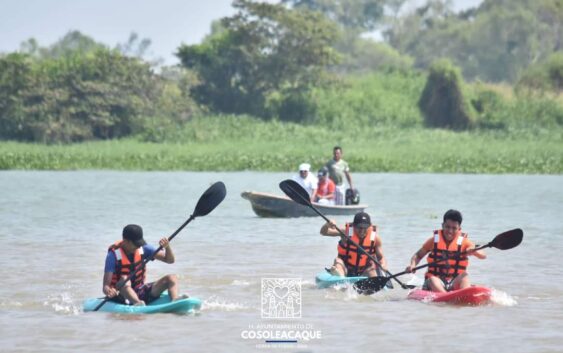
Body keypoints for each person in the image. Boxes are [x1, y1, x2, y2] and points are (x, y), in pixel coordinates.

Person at [404, 209, 487, 292]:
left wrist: (474, 251)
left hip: (454, 281)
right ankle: (446, 297)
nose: (450, 231)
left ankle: (465, 293)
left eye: (454, 228)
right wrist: (412, 265)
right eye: (447, 227)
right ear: (442, 225)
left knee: (464, 275)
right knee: (433, 279)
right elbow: (418, 255)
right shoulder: (433, 241)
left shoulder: (465, 242)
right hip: (435, 280)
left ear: (459, 229)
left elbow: (483, 255)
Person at [103, 224, 186, 306]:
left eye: (139, 243)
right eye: (135, 244)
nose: (138, 246)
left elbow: (170, 260)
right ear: (126, 241)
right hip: (121, 295)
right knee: (125, 279)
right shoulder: (112, 256)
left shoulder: (143, 249)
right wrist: (109, 291)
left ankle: (175, 301)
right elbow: (105, 286)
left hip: (140, 291)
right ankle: (138, 303)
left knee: (172, 277)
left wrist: (167, 247)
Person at [320, 212, 387, 277]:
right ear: (354, 226)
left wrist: (383, 265)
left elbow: (381, 257)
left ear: (369, 227)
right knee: (338, 261)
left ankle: (375, 282)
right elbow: (324, 232)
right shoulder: (346, 232)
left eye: (365, 228)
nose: (362, 231)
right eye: (359, 227)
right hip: (345, 267)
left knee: (371, 269)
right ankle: (339, 277)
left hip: (364, 270)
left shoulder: (375, 238)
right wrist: (327, 225)